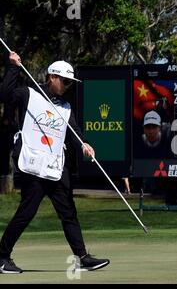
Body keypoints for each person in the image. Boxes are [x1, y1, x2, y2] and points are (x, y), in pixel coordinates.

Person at [0, 60, 109, 274]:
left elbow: (74, 132)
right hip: (33, 165)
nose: (68, 86)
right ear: (52, 77)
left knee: (68, 212)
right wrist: (13, 67)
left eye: (71, 83)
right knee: (26, 212)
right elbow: (4, 94)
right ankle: (2, 256)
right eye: (66, 81)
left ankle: (82, 257)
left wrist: (84, 145)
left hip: (56, 167)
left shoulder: (65, 107)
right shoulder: (28, 93)